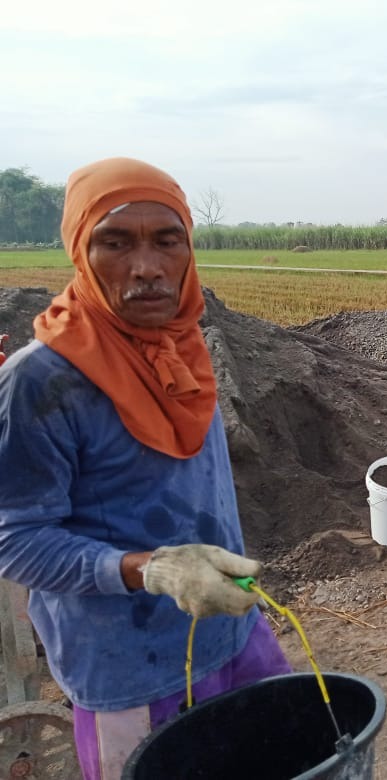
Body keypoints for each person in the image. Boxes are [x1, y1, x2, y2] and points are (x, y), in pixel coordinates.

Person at [0, 158, 291, 779]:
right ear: (80, 252)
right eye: (115, 242)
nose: (147, 267)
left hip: (232, 630)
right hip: (129, 667)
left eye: (167, 240)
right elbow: (15, 539)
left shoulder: (183, 346)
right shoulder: (40, 381)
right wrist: (149, 569)